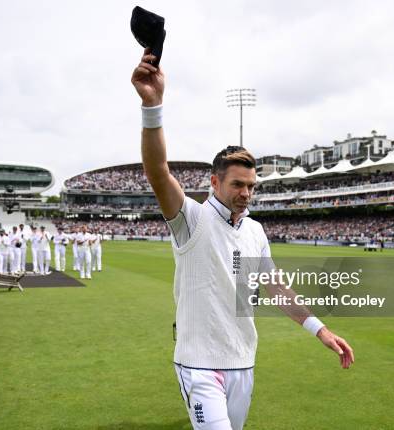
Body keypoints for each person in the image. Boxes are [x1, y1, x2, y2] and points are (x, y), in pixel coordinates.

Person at [131, 49, 354, 430]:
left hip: (243, 362)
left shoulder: (255, 231)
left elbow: (277, 289)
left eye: (251, 186)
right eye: (238, 184)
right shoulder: (191, 218)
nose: (246, 193)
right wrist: (153, 106)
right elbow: (158, 172)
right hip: (199, 366)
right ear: (215, 182)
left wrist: (321, 329)